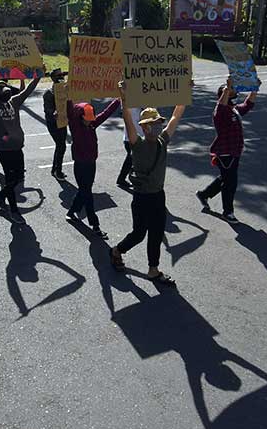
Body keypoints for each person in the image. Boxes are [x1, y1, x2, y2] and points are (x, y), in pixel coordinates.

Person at [110, 81, 187, 286]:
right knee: (139, 233)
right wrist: (124, 97)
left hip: (158, 196)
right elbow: (127, 118)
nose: (157, 126)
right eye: (152, 124)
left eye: (158, 123)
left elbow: (176, 116)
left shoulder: (163, 141)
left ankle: (153, 269)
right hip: (142, 197)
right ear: (143, 127)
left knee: (156, 232)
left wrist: (184, 91)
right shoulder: (137, 143)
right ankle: (117, 250)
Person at [0, 62, 40, 224]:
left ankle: (0, 196)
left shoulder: (14, 102)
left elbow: (28, 91)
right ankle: (14, 211)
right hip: (4, 149)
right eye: (1, 91)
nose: (6, 93)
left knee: (18, 178)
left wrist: (38, 76)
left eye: (6, 89)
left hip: (17, 148)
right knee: (10, 180)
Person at [196, 77, 257, 224]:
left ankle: (204, 194)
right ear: (225, 94)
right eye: (230, 90)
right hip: (226, 153)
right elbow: (220, 106)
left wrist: (255, 89)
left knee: (226, 177)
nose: (235, 91)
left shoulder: (233, 110)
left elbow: (248, 105)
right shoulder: (220, 112)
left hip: (234, 151)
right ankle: (227, 212)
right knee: (231, 183)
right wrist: (226, 89)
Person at [64, 96, 121, 238]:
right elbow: (67, 106)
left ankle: (71, 212)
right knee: (87, 194)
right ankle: (95, 225)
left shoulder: (92, 124)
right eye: (87, 118)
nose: (90, 120)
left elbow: (106, 113)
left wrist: (119, 99)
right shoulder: (74, 125)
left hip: (91, 164)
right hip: (80, 165)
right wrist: (67, 95)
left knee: (84, 191)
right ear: (79, 116)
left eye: (91, 118)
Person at [0, 78, 26, 175]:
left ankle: (16, 167)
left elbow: (22, 92)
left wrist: (22, 79)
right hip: (2, 132)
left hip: (9, 132)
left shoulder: (9, 94)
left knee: (5, 143)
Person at [42, 68, 68, 181]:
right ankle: (58, 171)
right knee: (61, 146)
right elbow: (48, 110)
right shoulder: (49, 93)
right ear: (54, 78)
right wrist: (54, 113)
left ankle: (55, 169)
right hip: (53, 123)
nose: (62, 77)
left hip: (62, 121)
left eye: (62, 75)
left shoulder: (65, 90)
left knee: (60, 146)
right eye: (59, 76)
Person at [116, 107, 144, 188]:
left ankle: (123, 178)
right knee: (132, 159)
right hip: (131, 138)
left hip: (137, 137)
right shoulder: (132, 106)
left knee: (131, 159)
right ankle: (128, 177)